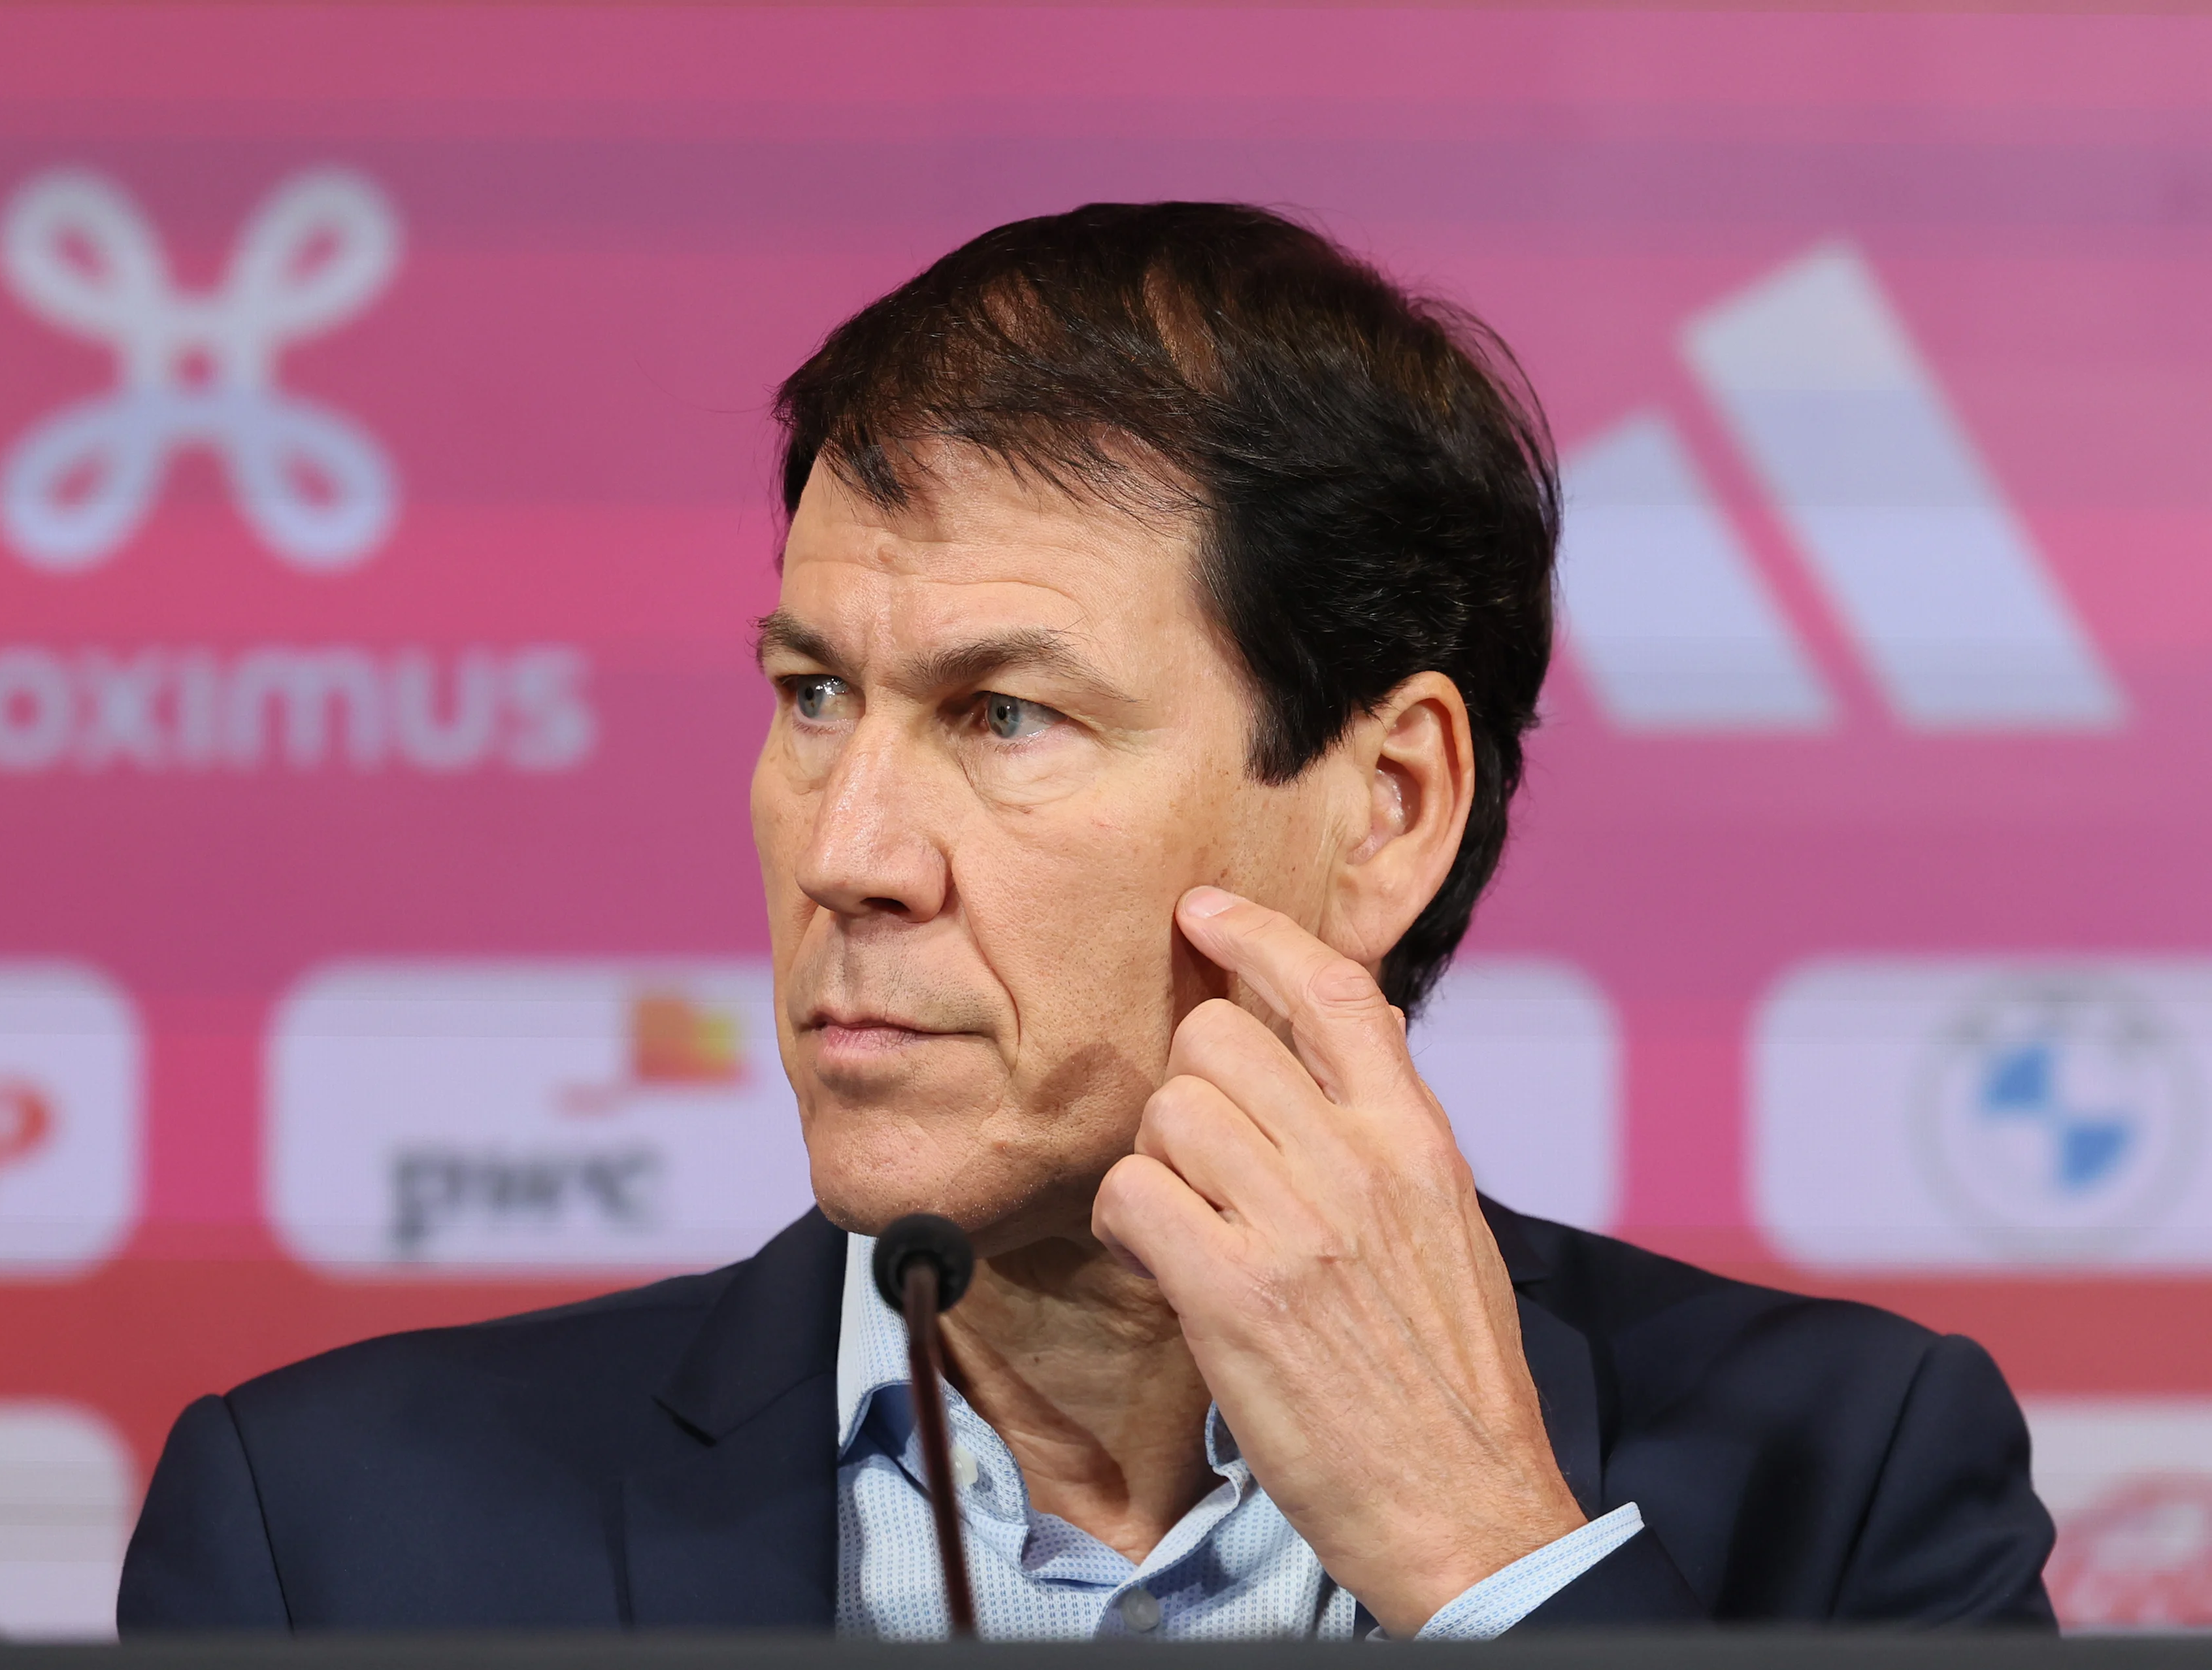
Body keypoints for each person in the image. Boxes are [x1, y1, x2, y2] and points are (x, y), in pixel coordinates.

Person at [118, 203, 2055, 1637]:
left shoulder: (1853, 1482)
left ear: (1385, 809)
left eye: (1003, 716)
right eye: (812, 697)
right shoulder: (340, 1535)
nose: (850, 851)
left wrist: (1489, 1559)